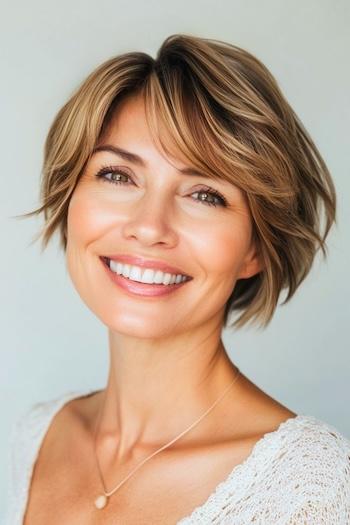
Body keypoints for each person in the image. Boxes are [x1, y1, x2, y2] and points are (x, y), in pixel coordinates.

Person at [7, 33, 350, 524]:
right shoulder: (38, 435)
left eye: (205, 194)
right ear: (69, 198)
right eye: (118, 176)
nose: (149, 226)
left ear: (256, 247)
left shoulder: (312, 487)